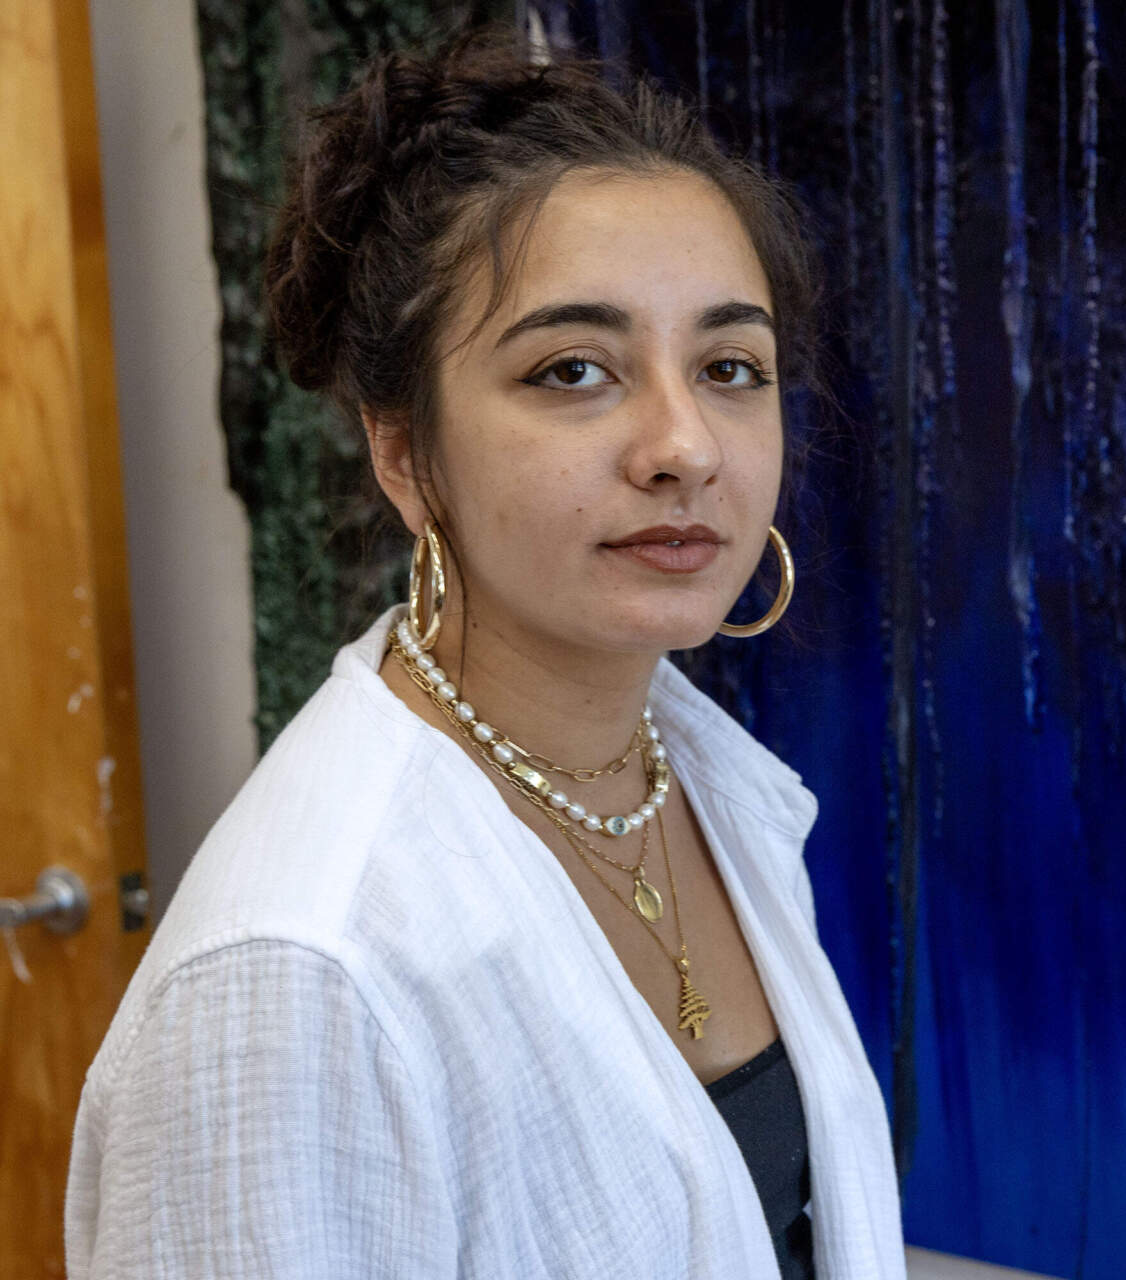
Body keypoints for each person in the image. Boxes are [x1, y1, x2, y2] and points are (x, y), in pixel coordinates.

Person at [64, 28, 903, 1280]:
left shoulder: (705, 779)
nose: (685, 444)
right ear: (403, 451)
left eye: (731, 366)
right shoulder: (299, 975)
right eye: (574, 370)